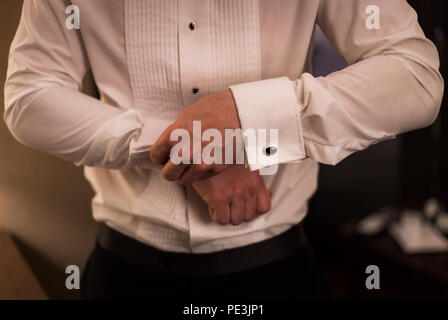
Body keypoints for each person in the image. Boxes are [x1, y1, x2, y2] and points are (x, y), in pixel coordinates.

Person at [3, 0, 443, 299]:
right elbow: (29, 95)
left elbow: (415, 77)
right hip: (125, 276)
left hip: (279, 275)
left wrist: (246, 119)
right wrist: (200, 148)